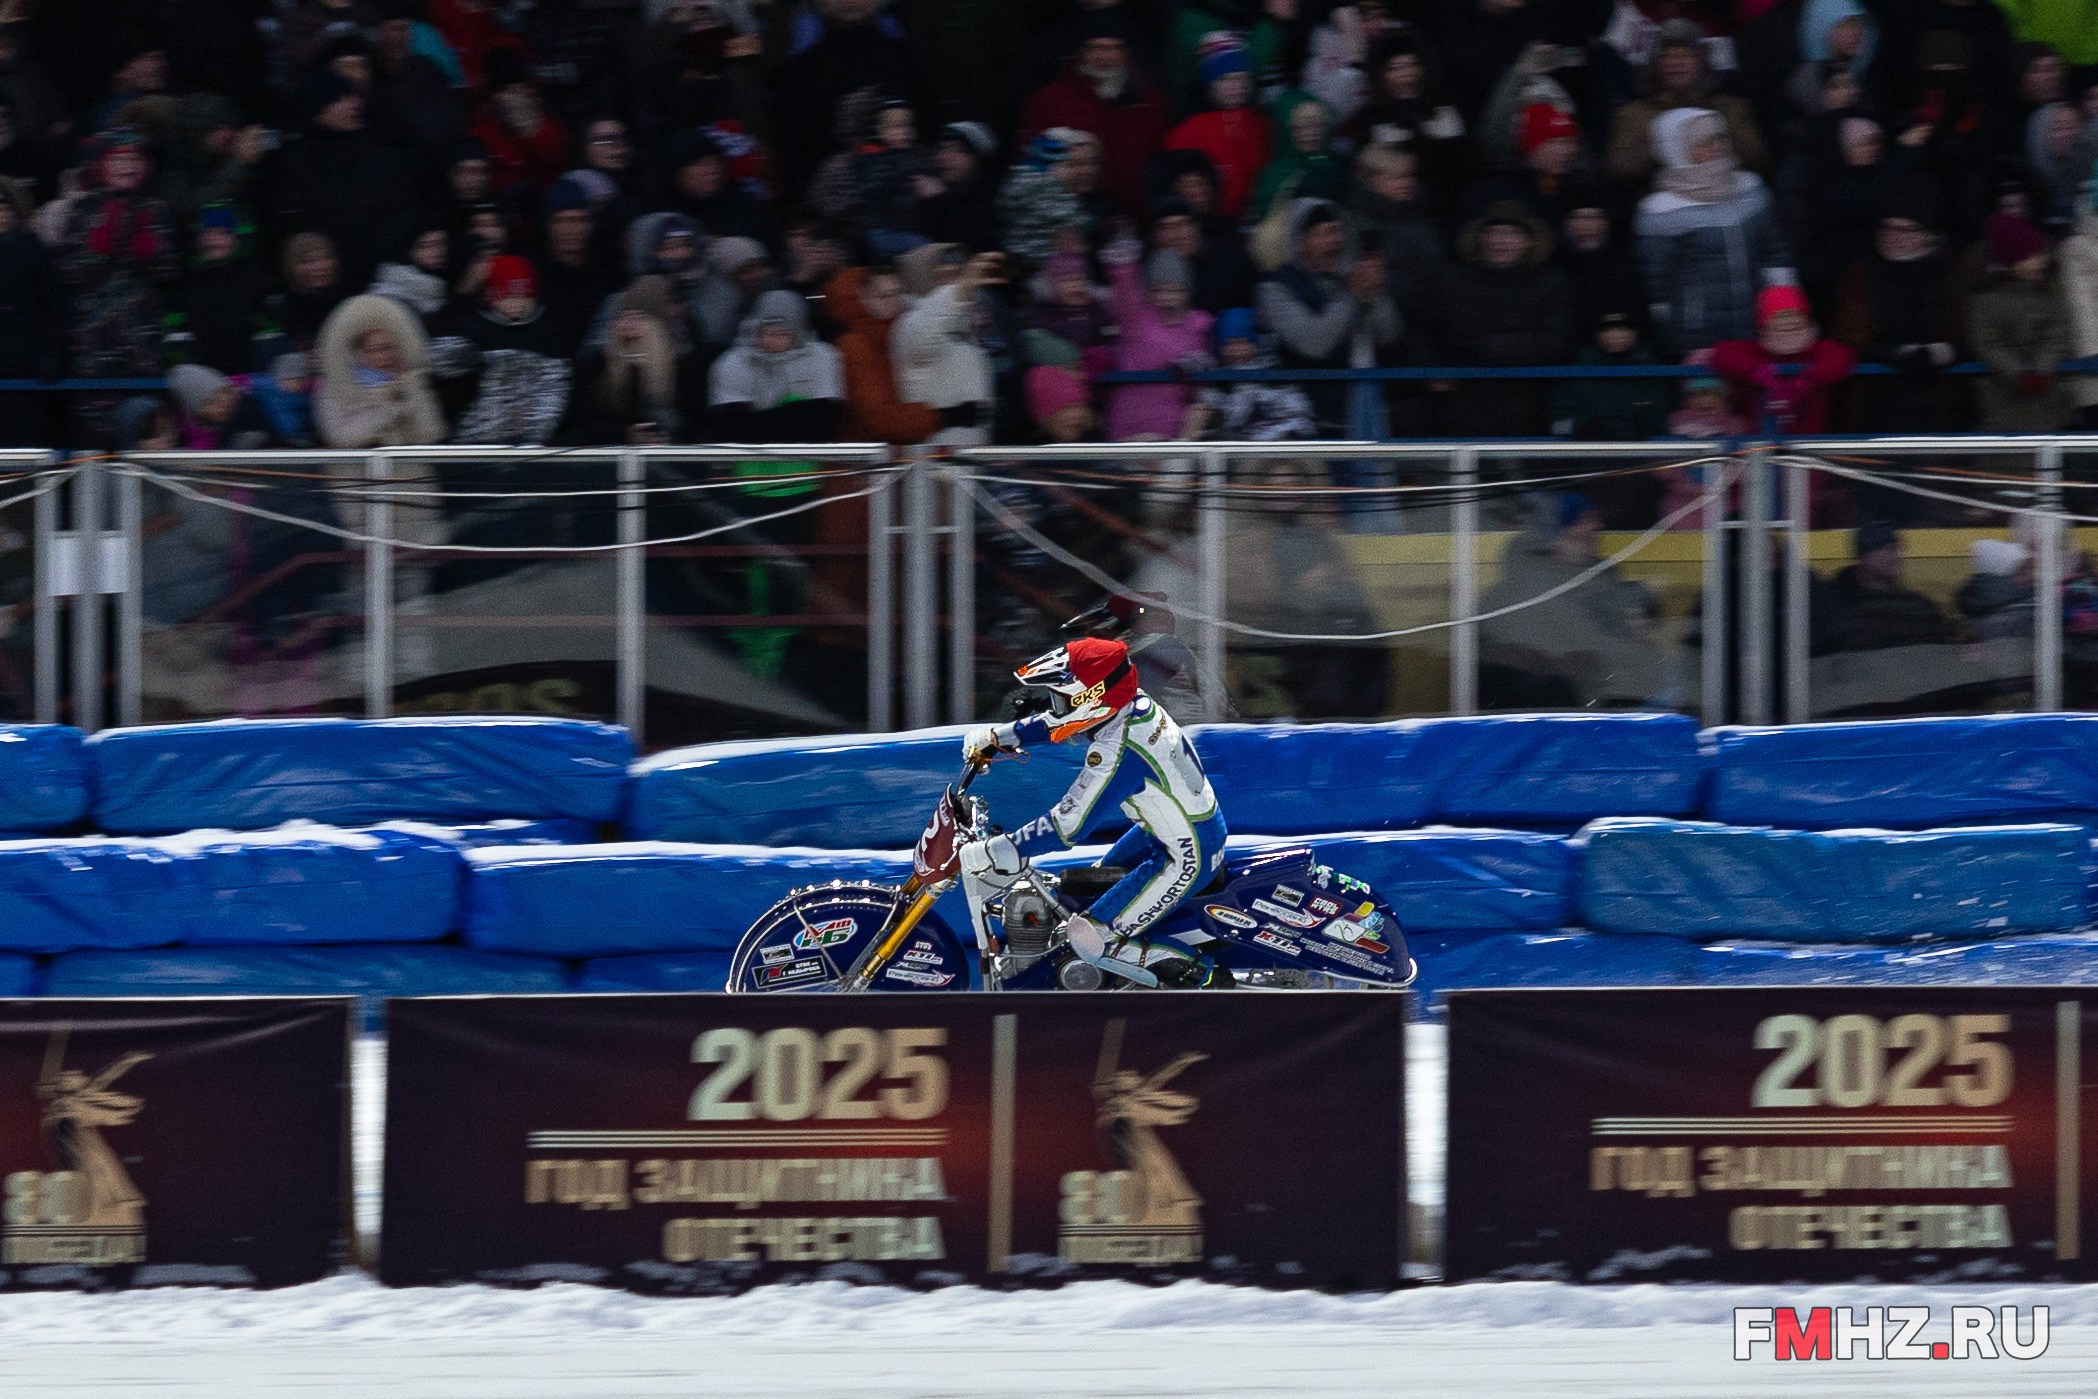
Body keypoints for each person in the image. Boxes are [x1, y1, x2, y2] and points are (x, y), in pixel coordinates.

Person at [955, 636, 1228, 989]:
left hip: (1186, 855)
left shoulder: (1120, 748)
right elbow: (1063, 720)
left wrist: (1002, 849)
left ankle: (1208, 979)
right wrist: (1002, 736)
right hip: (1167, 834)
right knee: (1087, 894)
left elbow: (1069, 825)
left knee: (1091, 938)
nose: (1054, 707)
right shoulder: (1130, 704)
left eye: (1060, 699)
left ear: (1091, 698)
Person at [1827, 521, 1956, 653]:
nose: (1896, 556)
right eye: (1887, 549)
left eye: (1897, 549)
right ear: (1865, 557)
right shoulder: (1834, 606)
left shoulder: (1917, 606)